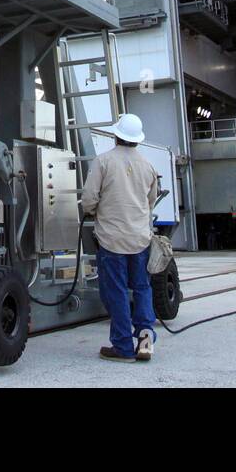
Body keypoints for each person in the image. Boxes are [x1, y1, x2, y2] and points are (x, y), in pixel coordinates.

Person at [82, 113, 159, 363]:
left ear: (116, 135)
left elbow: (89, 198)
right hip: (140, 238)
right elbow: (150, 201)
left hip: (111, 239)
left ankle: (123, 347)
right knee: (142, 287)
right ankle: (146, 337)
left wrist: (91, 210)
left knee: (116, 291)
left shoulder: (103, 162)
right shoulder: (148, 166)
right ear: (137, 139)